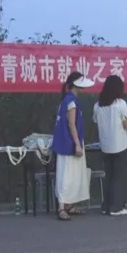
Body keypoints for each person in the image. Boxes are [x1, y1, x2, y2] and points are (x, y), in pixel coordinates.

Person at [52, 71, 95, 221]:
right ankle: (61, 207)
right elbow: (71, 124)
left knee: (71, 175)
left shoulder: (68, 100)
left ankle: (68, 205)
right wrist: (77, 145)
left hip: (67, 143)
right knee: (66, 176)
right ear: (76, 86)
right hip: (69, 144)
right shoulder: (70, 101)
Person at [93, 75, 127, 216]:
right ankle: (116, 207)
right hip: (120, 145)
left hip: (105, 145)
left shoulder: (97, 105)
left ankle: (106, 206)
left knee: (108, 176)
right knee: (119, 177)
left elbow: (95, 121)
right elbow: (126, 124)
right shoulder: (121, 103)